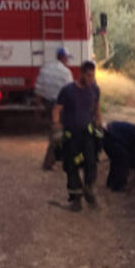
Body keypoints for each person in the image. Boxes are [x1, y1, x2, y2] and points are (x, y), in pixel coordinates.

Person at [52, 61, 103, 212]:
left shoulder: (95, 89)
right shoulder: (67, 91)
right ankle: (76, 200)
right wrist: (56, 127)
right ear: (80, 74)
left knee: (91, 163)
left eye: (93, 75)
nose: (91, 78)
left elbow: (97, 110)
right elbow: (56, 109)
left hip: (87, 135)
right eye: (88, 75)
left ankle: (89, 190)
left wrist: (99, 126)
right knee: (71, 166)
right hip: (71, 136)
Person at [35, 47, 74, 170]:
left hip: (47, 104)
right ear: (63, 58)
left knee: (56, 132)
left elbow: (38, 89)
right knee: (58, 134)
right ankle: (49, 162)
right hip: (60, 106)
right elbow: (69, 91)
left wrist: (38, 105)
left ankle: (59, 159)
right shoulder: (66, 72)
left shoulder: (45, 69)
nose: (68, 61)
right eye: (67, 58)